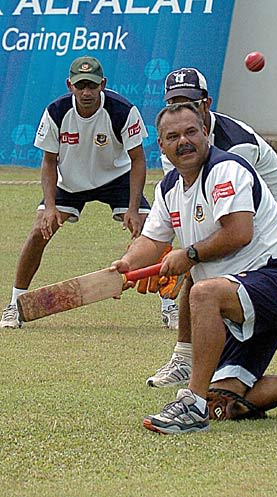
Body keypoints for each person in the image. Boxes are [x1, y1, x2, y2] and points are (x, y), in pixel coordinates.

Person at [110, 103, 277, 435]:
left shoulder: (226, 168)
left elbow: (238, 232)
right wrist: (125, 266)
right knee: (222, 403)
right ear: (162, 146)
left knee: (203, 292)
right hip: (240, 301)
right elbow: (151, 241)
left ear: (206, 133)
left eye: (191, 132)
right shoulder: (168, 189)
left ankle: (190, 404)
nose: (184, 141)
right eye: (173, 136)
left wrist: (189, 255)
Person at [146, 67, 277, 385]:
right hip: (236, 211)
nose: (182, 110)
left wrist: (187, 255)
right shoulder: (181, 143)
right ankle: (184, 358)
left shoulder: (235, 148)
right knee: (200, 270)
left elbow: (235, 225)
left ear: (206, 104)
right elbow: (185, 204)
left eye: (190, 103)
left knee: (265, 271)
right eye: (174, 103)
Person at [0, 55, 151, 329]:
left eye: (92, 86)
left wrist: (132, 209)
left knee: (154, 232)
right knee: (38, 232)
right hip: (69, 181)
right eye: (80, 85)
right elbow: (48, 162)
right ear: (70, 85)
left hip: (117, 177)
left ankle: (171, 307)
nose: (86, 92)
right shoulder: (57, 112)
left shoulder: (122, 111)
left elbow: (138, 160)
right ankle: (15, 304)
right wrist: (49, 207)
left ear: (102, 85)